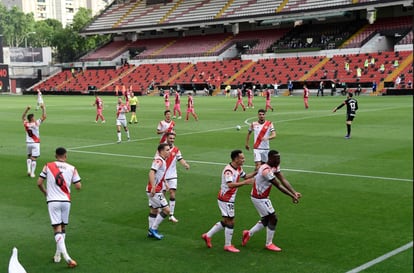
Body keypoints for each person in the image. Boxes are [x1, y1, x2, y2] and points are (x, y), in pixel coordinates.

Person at [242, 150, 301, 252]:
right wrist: (292, 196)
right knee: (273, 218)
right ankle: (269, 244)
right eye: (277, 158)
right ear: (270, 158)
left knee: (266, 219)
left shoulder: (274, 166)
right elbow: (278, 185)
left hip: (263, 197)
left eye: (279, 158)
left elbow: (283, 179)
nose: (279, 160)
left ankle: (248, 233)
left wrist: (294, 192)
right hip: (259, 197)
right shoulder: (265, 170)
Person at [202, 150, 256, 253]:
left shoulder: (239, 168)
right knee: (231, 221)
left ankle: (207, 235)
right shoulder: (228, 171)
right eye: (242, 158)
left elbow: (246, 176)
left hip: (229, 199)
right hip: (225, 199)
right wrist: (245, 183)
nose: (244, 160)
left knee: (226, 221)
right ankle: (227, 245)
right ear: (236, 159)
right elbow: (230, 184)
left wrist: (257, 171)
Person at [37, 147, 81, 268]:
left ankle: (67, 258)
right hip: (66, 201)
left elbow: (39, 183)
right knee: (63, 227)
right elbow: (78, 186)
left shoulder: (48, 165)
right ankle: (57, 254)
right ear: (65, 156)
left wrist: (45, 192)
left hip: (53, 201)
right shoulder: (72, 168)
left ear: (55, 155)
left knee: (57, 229)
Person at [146, 143, 171, 240]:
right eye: (167, 150)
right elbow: (151, 172)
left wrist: (165, 183)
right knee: (167, 210)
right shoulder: (158, 160)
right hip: (155, 191)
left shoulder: (162, 161)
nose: (169, 151)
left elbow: (160, 174)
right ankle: (153, 229)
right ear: (161, 151)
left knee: (154, 210)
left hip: (155, 189)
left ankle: (150, 232)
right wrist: (153, 187)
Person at [163, 132, 190, 222]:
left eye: (173, 139)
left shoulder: (176, 149)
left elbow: (180, 159)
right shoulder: (162, 148)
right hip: (163, 175)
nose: (172, 140)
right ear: (167, 138)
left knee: (172, 193)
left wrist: (185, 164)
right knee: (162, 195)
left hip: (173, 175)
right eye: (170, 138)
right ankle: (160, 211)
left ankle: (171, 215)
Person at [22, 104, 46, 178]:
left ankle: (28, 170)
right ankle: (32, 173)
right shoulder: (36, 123)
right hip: (35, 143)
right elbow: (44, 116)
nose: (35, 118)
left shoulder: (26, 124)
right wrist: (43, 108)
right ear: (32, 118)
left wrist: (27, 109)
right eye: (34, 117)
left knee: (29, 156)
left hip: (28, 143)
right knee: (34, 158)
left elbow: (23, 117)